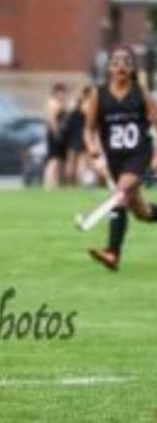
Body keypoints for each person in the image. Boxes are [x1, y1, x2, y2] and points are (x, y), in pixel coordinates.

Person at [84, 44, 157, 270]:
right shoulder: (98, 94)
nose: (121, 67)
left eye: (126, 62)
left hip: (139, 155)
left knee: (120, 195)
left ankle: (112, 253)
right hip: (115, 160)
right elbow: (88, 129)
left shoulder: (141, 93)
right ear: (109, 68)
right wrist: (91, 148)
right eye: (116, 63)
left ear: (133, 68)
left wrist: (155, 158)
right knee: (141, 212)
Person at [64, 85, 92, 186]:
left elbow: (68, 118)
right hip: (81, 134)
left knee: (71, 161)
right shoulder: (87, 105)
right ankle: (77, 182)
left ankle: (70, 183)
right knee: (81, 161)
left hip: (73, 135)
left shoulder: (74, 104)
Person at [43, 82, 69, 189]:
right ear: (56, 92)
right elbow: (52, 120)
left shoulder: (57, 103)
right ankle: (49, 183)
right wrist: (57, 134)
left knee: (57, 160)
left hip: (55, 134)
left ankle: (54, 182)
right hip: (55, 134)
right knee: (54, 159)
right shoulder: (54, 103)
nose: (63, 95)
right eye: (62, 92)